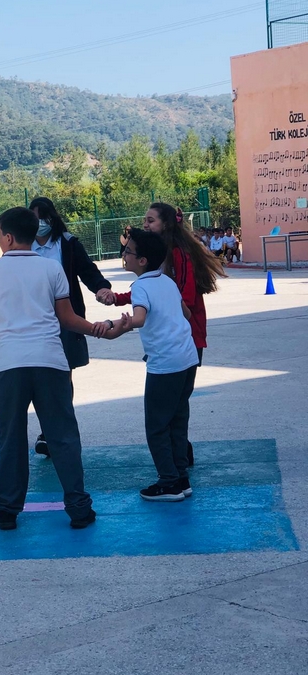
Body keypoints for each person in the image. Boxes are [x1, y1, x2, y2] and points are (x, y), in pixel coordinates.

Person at [0, 206, 110, 531]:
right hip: (51, 361)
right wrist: (99, 329)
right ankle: (79, 508)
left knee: (11, 439)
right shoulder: (51, 268)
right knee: (63, 437)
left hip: (9, 365)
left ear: (8, 237)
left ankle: (7, 511)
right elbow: (68, 318)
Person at [98, 202, 224, 466]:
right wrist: (118, 298)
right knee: (176, 408)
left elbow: (182, 301)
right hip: (179, 343)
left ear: (166, 224)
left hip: (180, 342)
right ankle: (180, 462)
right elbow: (152, 295)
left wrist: (117, 324)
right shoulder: (157, 272)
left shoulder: (178, 255)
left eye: (151, 220)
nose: (145, 224)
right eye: (145, 220)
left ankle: (173, 471)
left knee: (166, 413)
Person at [100, 229, 198, 501]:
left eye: (128, 251)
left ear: (142, 261)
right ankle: (181, 477)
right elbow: (186, 313)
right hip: (187, 358)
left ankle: (169, 482)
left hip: (165, 364)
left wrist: (116, 324)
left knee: (156, 426)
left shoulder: (141, 286)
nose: (124, 255)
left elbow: (140, 319)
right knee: (177, 421)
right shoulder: (167, 280)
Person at [28, 196, 113, 457]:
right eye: (35, 218)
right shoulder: (23, 244)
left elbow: (88, 271)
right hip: (34, 319)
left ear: (52, 218)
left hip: (66, 318)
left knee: (63, 375)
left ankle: (60, 431)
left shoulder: (68, 242)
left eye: (44, 218)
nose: (40, 223)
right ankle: (47, 431)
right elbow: (5, 270)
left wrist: (102, 288)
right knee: (41, 377)